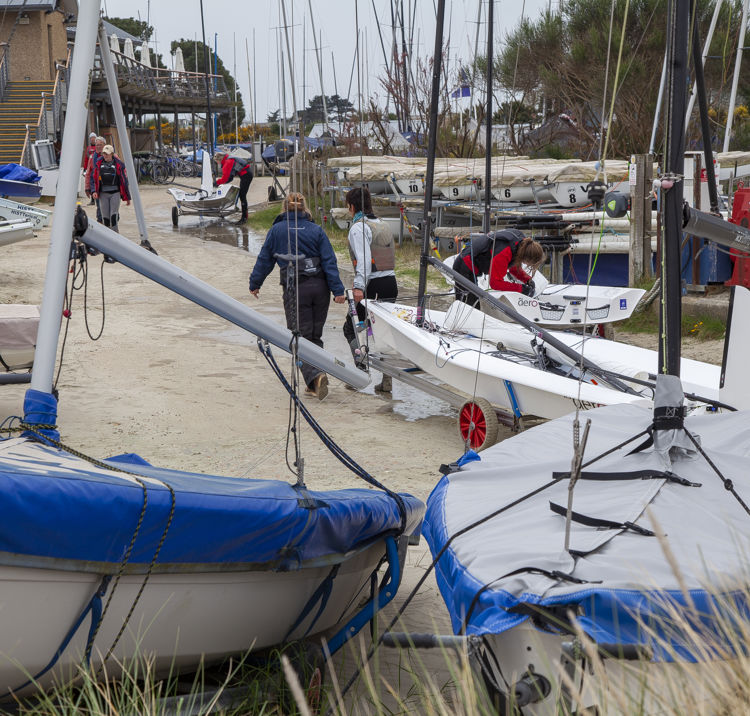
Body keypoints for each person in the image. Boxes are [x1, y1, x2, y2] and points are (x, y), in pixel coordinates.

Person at [248, 192, 345, 400]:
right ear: (304, 207)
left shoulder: (276, 231)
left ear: (284, 208)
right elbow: (329, 261)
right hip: (320, 288)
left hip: (296, 288)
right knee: (314, 336)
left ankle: (316, 375)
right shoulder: (316, 230)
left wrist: (255, 283)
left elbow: (265, 259)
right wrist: (338, 290)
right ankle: (314, 382)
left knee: (299, 337)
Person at [342, 186, 397, 391]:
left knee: (351, 328)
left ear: (352, 206)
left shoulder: (358, 227)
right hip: (391, 282)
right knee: (382, 332)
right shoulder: (382, 224)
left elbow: (364, 260)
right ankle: (387, 378)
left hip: (371, 284)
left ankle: (360, 372)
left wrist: (358, 287)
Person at [453, 229, 545, 306]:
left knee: (473, 303)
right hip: (464, 266)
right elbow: (495, 283)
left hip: (470, 265)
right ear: (525, 257)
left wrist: (527, 280)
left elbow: (513, 267)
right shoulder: (504, 253)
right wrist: (521, 289)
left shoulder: (522, 243)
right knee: (471, 306)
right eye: (528, 263)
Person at [92, 145, 131, 233]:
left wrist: (127, 197)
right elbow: (94, 178)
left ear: (112, 154)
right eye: (104, 154)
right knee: (105, 218)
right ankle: (107, 236)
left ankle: (116, 234)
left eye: (107, 154)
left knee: (113, 216)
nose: (105, 156)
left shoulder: (118, 165)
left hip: (115, 193)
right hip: (103, 194)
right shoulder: (98, 164)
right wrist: (94, 191)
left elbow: (124, 181)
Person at [216, 150, 254, 223]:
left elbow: (226, 178)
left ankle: (244, 218)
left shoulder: (228, 162)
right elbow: (230, 178)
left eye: (216, 162)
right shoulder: (229, 159)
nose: (217, 164)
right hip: (246, 174)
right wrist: (219, 183)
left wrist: (216, 183)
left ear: (219, 159)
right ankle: (244, 216)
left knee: (242, 196)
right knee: (241, 194)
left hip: (246, 175)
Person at [85, 136, 105, 216]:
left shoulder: (112, 155)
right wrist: (87, 188)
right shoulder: (92, 157)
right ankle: (101, 222)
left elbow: (121, 171)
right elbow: (89, 173)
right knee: (100, 209)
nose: (99, 147)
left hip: (109, 187)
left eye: (100, 145)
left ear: (104, 145)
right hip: (97, 188)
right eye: (97, 145)